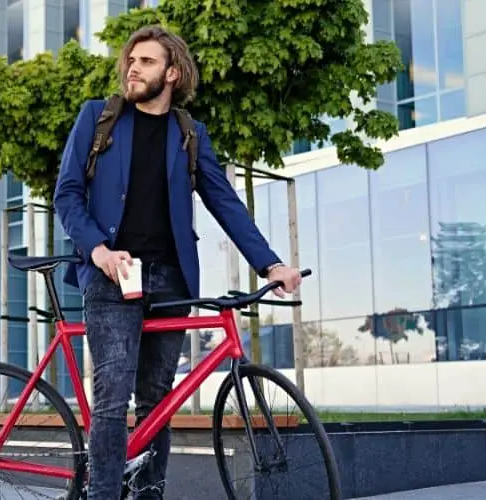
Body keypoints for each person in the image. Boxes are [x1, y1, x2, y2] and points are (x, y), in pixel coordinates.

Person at [53, 25, 303, 499]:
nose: (132, 67)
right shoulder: (97, 118)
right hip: (112, 273)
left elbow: (225, 202)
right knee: (111, 400)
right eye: (131, 59)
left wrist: (270, 265)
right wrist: (98, 250)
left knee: (158, 404)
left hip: (171, 279)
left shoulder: (190, 134)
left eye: (145, 62)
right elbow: (67, 195)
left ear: (172, 73)